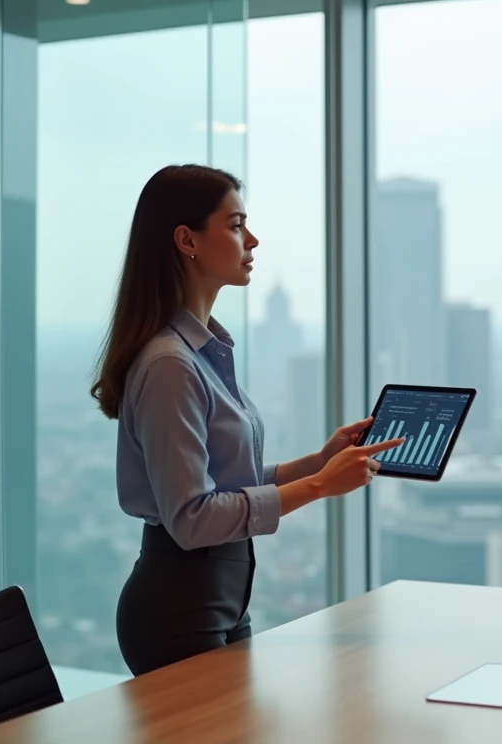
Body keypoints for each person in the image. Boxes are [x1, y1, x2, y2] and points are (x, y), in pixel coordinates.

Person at [91, 164, 402, 676]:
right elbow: (192, 518)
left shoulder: (204, 351)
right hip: (179, 610)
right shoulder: (172, 364)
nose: (252, 240)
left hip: (221, 601)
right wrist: (321, 486)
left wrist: (316, 463)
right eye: (236, 225)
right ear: (187, 240)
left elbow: (224, 485)